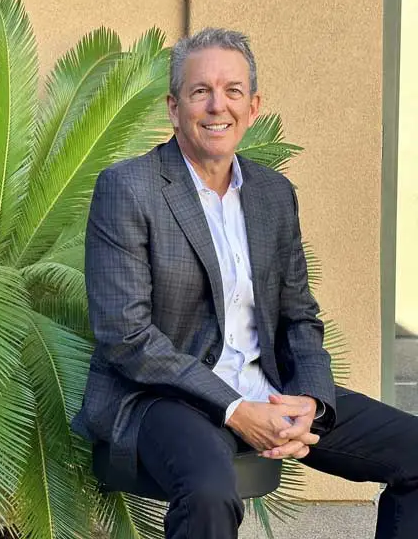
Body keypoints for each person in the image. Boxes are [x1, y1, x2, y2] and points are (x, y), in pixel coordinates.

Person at [71, 27, 418, 539]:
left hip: (267, 388)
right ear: (173, 106)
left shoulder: (272, 195)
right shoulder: (128, 188)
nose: (218, 106)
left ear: (253, 107)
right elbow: (127, 337)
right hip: (160, 398)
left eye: (233, 91)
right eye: (200, 91)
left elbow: (299, 316)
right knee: (210, 490)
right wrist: (234, 408)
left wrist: (312, 404)